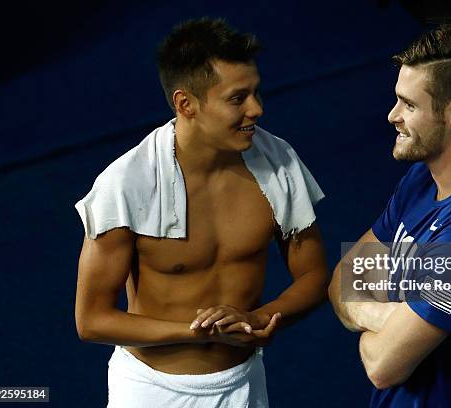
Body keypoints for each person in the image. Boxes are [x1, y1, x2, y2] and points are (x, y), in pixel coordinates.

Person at [74, 18, 328, 408]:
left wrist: (262, 317)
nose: (256, 109)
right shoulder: (125, 184)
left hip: (244, 384)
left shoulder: (279, 163)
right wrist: (203, 333)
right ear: (185, 104)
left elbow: (313, 275)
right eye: (237, 98)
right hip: (149, 392)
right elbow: (90, 320)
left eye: (256, 93)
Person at [329, 24, 451, 407]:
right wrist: (390, 319)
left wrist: (371, 317)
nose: (392, 116)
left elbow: (383, 364)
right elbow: (344, 277)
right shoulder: (421, 179)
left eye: (409, 104)